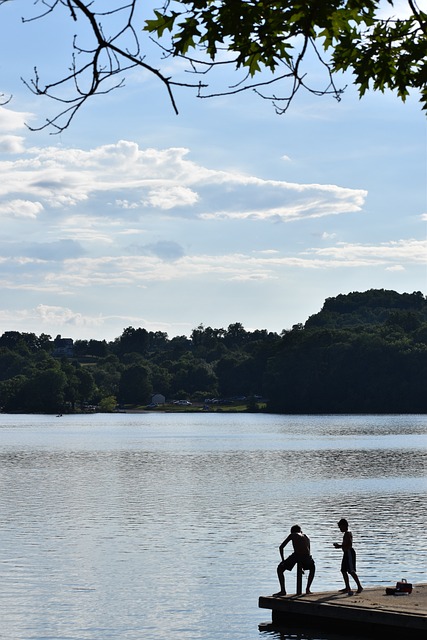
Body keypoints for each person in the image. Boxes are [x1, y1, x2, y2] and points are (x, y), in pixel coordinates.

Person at [273, 524, 315, 596]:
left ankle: (283, 590)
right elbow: (308, 551)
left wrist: (283, 561)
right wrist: (302, 566)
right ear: (301, 531)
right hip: (307, 557)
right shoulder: (307, 537)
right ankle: (308, 589)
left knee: (280, 569)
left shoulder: (292, 535)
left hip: (297, 555)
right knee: (312, 568)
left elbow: (281, 547)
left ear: (292, 531)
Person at [333, 518, 363, 595]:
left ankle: (359, 586)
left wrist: (340, 546)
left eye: (340, 527)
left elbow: (349, 544)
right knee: (343, 570)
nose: (340, 529)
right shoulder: (345, 534)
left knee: (351, 571)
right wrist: (340, 546)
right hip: (346, 553)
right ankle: (347, 587)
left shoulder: (348, 533)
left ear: (344, 526)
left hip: (349, 553)